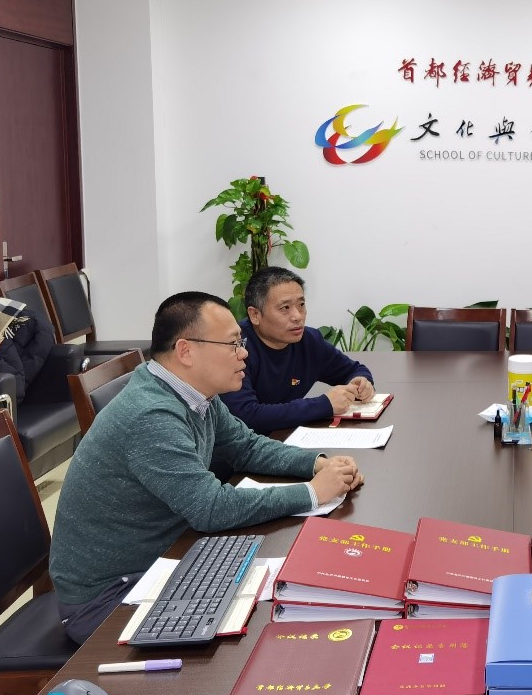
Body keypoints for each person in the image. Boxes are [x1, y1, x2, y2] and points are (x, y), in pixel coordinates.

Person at [49, 291, 363, 643]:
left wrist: (317, 464)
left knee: (278, 596)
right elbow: (210, 508)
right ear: (186, 351)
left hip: (166, 560)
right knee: (263, 630)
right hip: (109, 598)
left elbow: (245, 446)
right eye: (232, 344)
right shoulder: (152, 414)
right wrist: (312, 493)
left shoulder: (193, 393)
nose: (244, 353)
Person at [220, 267, 375, 432]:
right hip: (244, 445)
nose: (298, 316)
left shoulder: (309, 340)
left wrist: (361, 383)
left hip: (284, 437)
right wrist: (323, 405)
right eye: (285, 308)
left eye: (301, 305)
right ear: (255, 315)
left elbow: (354, 370)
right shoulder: (234, 348)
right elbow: (246, 416)